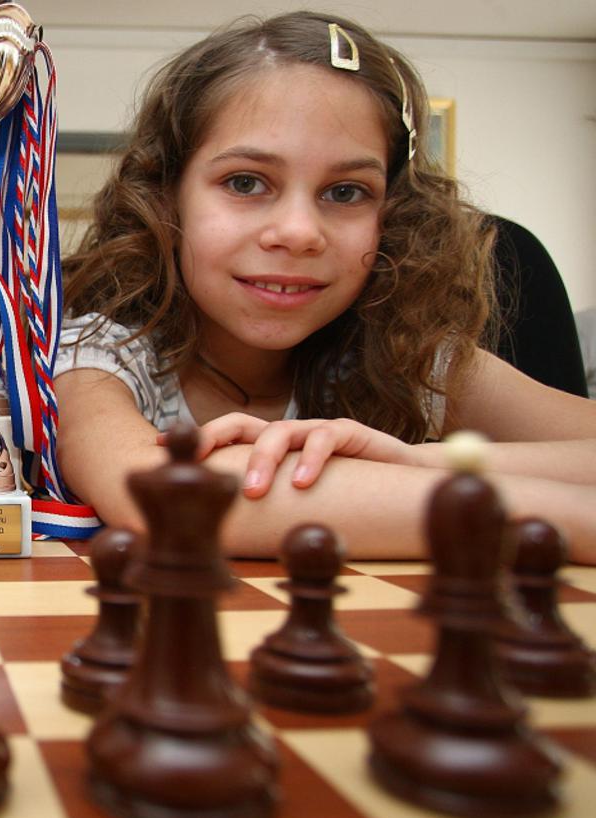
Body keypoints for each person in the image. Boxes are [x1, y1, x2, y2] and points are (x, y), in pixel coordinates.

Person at [56, 12, 596, 563]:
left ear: (393, 216)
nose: (299, 233)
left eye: (345, 192)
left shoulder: (410, 357)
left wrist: (420, 462)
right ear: (166, 198)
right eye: (245, 182)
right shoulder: (95, 353)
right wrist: (567, 520)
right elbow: (156, 494)